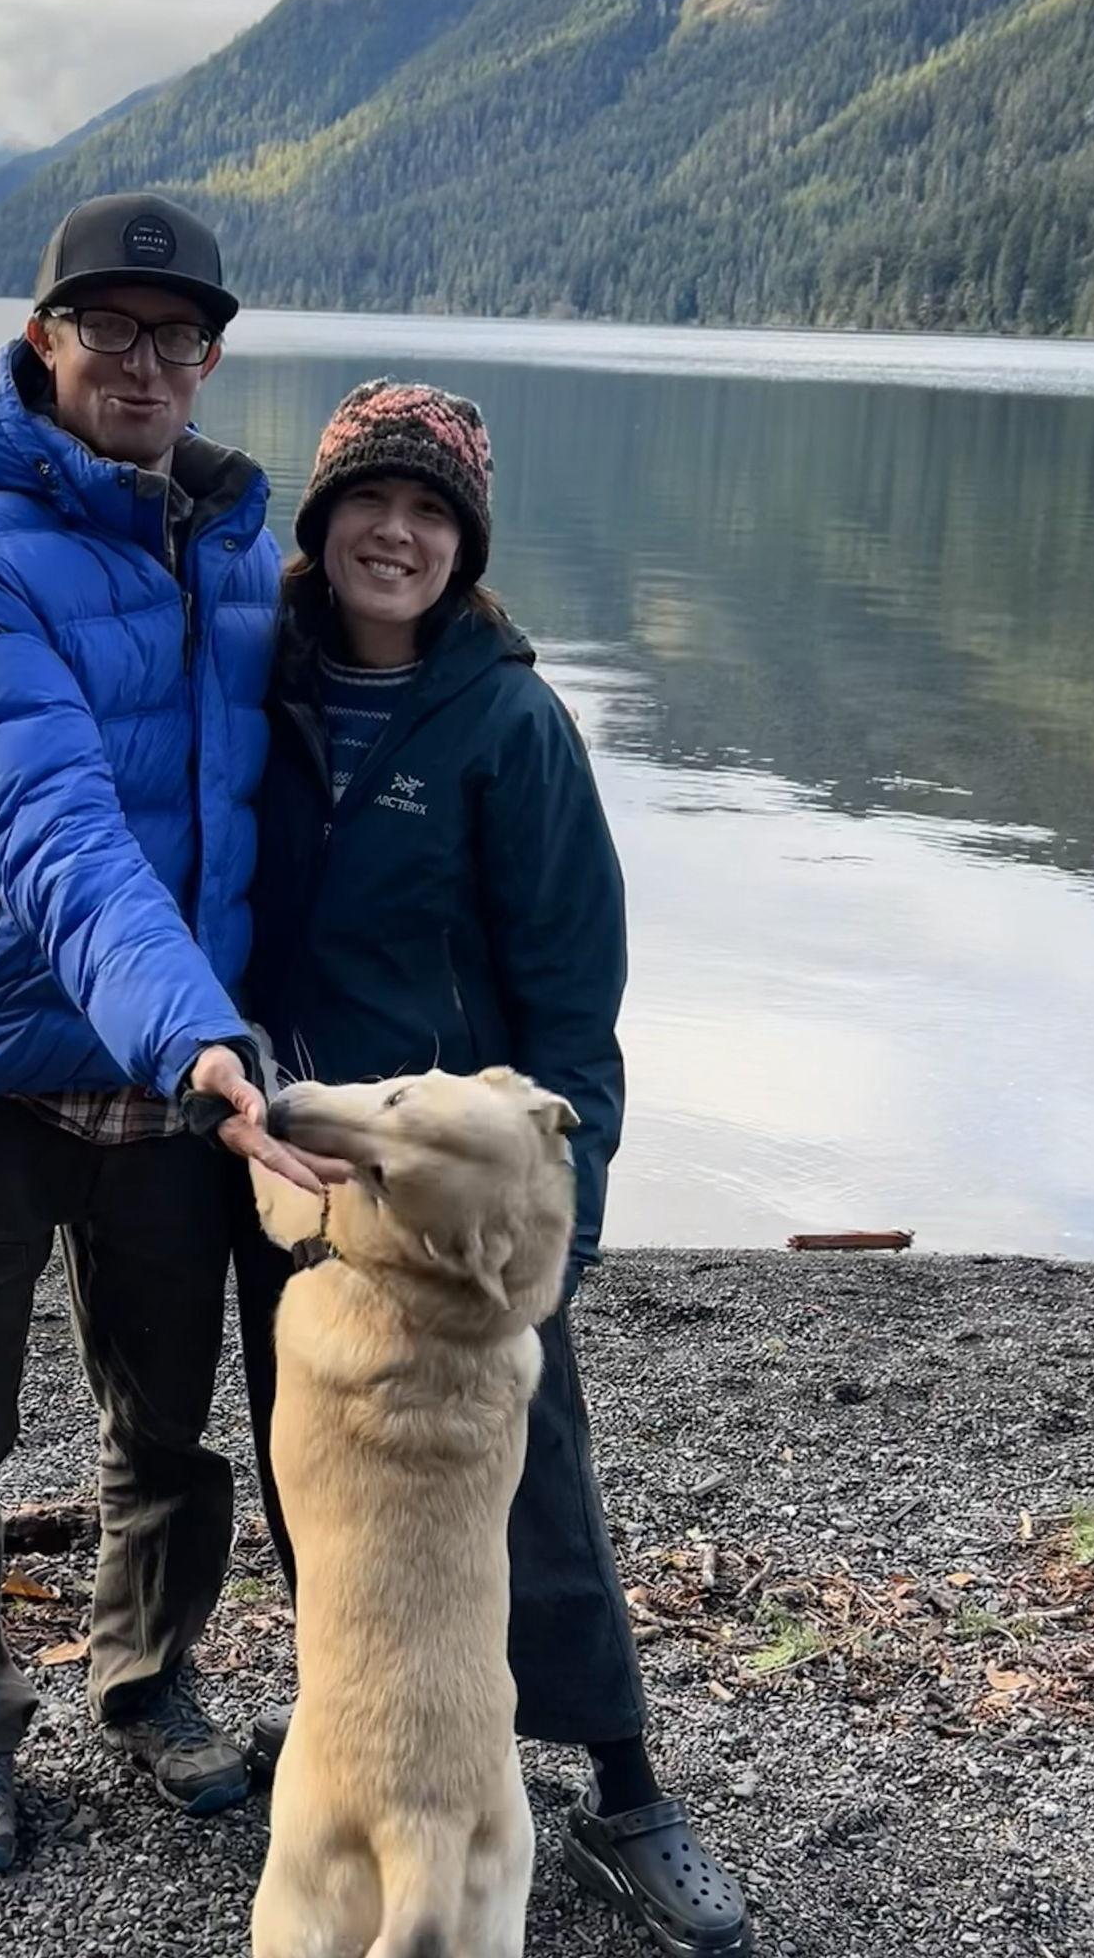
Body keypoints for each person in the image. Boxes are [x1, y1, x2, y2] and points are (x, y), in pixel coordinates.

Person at [234, 381, 756, 1954]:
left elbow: (573, 1016)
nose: (396, 532)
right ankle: (357, 1743)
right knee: (314, 1483)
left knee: (540, 1503)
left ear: (465, 549)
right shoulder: (254, 687)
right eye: (367, 505)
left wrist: (557, 1244)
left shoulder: (513, 724)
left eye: (432, 512)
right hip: (299, 1171)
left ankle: (627, 1788)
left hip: (465, 1214)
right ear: (319, 528)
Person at [0, 191, 341, 1878]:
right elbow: (58, 835)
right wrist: (205, 1042)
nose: (147, 363)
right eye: (112, 328)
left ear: (211, 361)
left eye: (179, 336)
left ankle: (148, 1682)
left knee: (169, 1423)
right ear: (45, 338)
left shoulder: (230, 551)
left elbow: (337, 721)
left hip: (171, 1082)